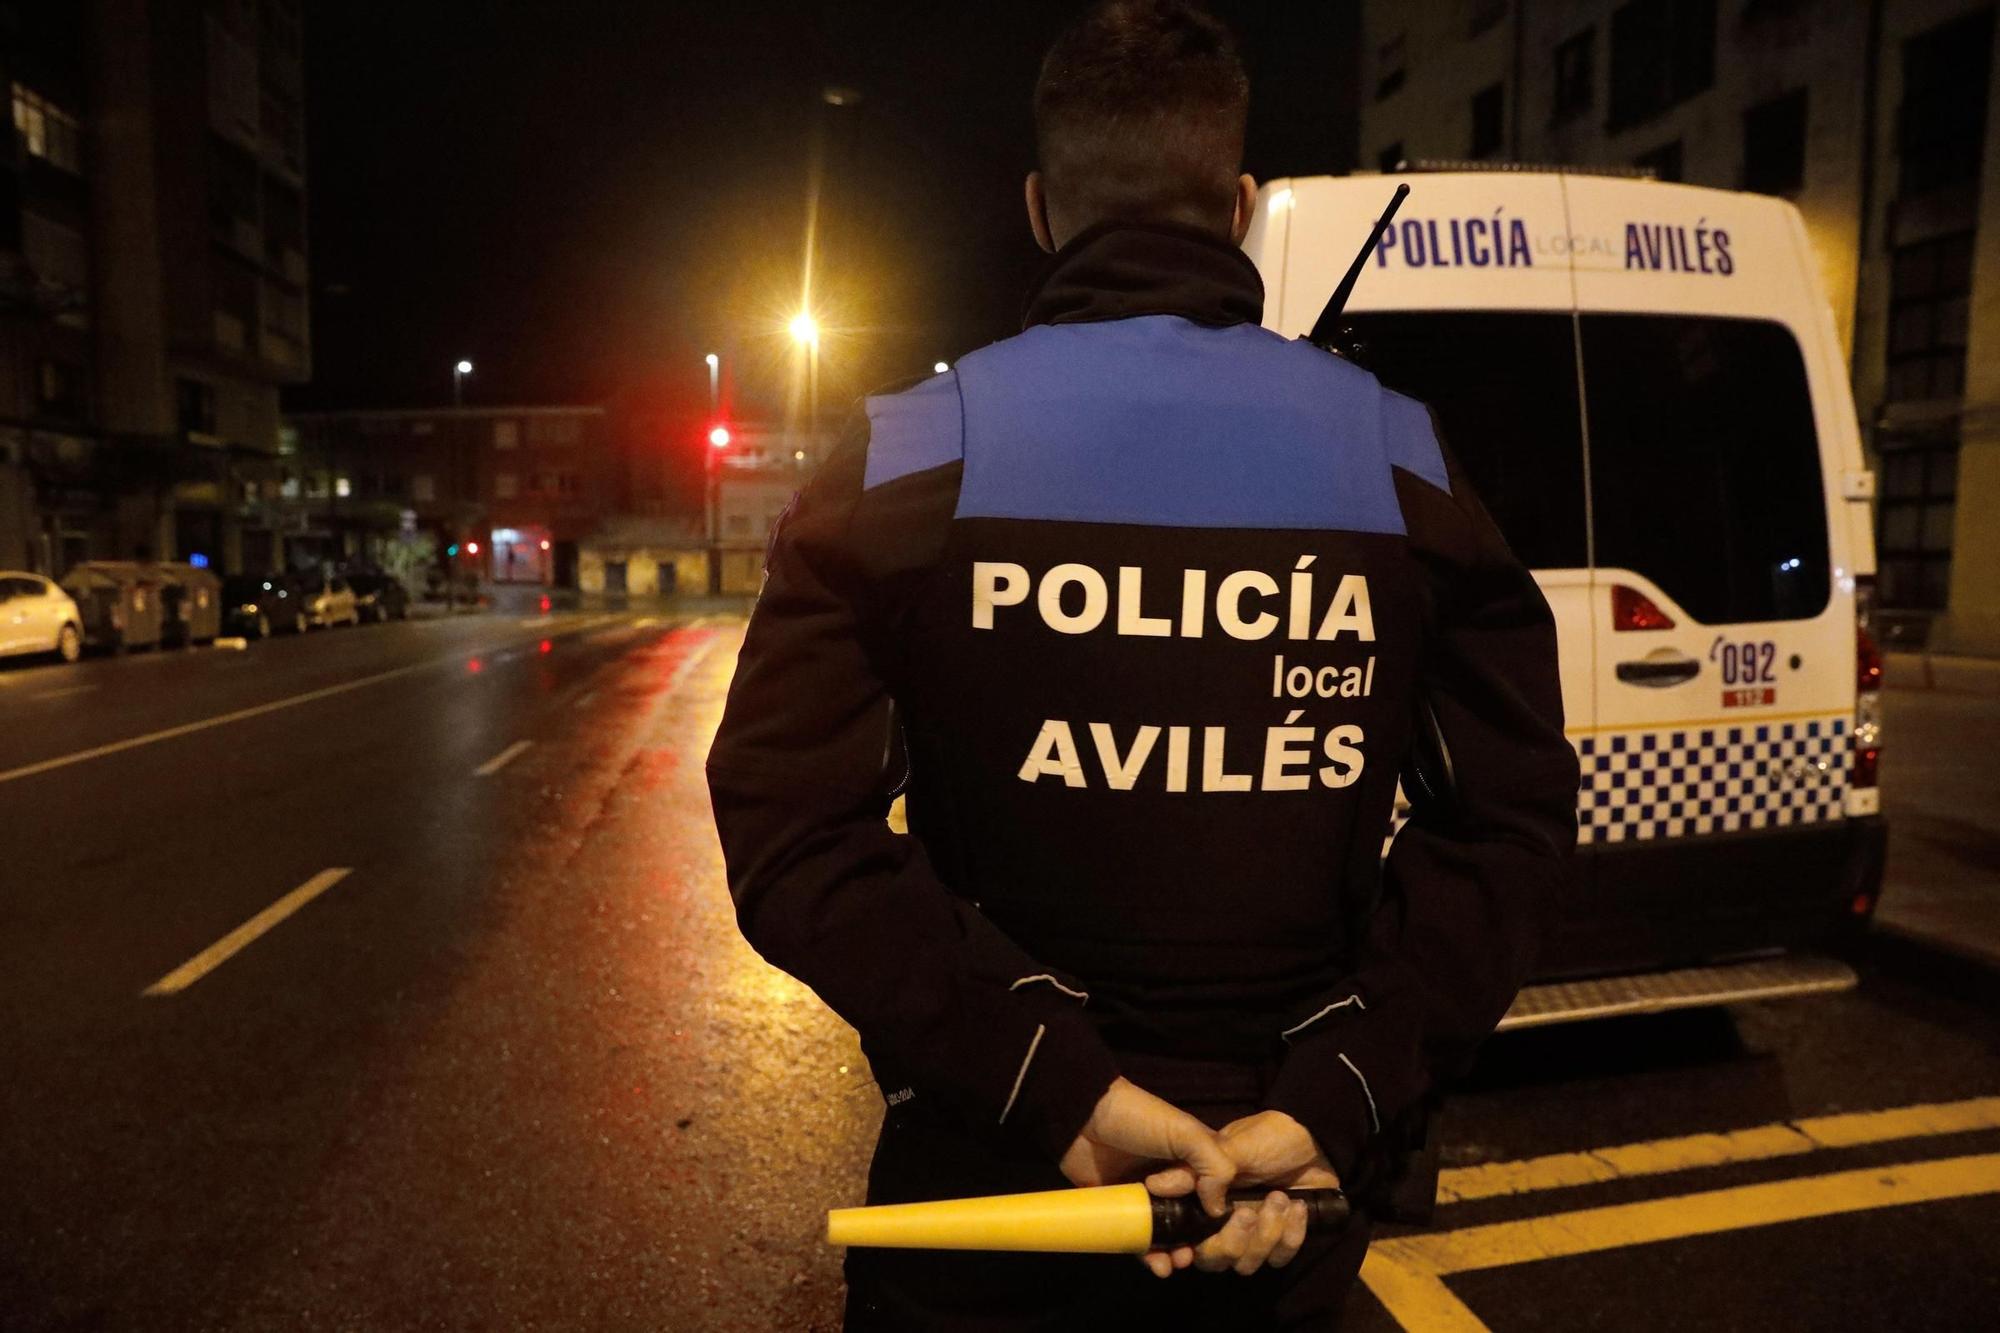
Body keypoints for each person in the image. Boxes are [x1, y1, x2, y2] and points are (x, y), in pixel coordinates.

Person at [704, 1, 1579, 1327]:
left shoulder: (907, 458)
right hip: (1278, 1212)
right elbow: (1511, 823)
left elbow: (786, 825)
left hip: (995, 1195)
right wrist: (1332, 1095)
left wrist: (1056, 1089)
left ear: (1044, 210)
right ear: (1238, 209)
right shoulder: (1405, 463)